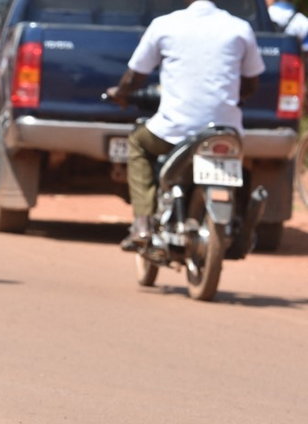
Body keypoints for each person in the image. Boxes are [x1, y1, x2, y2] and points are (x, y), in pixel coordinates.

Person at [106, 0, 265, 250]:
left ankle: (142, 221)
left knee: (138, 142)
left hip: (174, 131)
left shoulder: (165, 25)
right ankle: (242, 226)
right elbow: (251, 84)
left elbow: (135, 75)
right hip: (225, 132)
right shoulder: (240, 28)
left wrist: (121, 93)